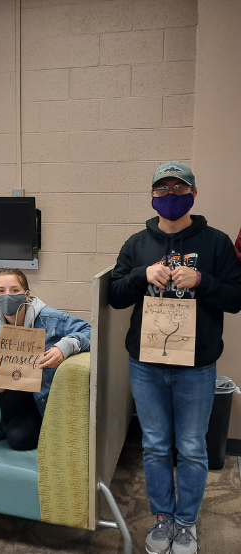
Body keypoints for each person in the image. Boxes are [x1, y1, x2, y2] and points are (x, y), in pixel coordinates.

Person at [108, 162, 241, 554]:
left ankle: (186, 523)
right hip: (146, 365)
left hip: (197, 368)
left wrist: (202, 281)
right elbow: (115, 295)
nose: (170, 196)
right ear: (151, 196)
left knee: (193, 446)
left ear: (193, 195)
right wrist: (142, 275)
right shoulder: (136, 244)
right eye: (162, 189)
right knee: (154, 445)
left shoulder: (215, 243)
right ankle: (163, 518)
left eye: (178, 188)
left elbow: (236, 298)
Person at [0, 269, 91, 451]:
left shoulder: (49, 319)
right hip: (13, 401)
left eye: (14, 290)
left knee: (19, 441)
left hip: (43, 399)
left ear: (27, 295)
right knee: (14, 429)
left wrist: (65, 347)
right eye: (1, 291)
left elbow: (90, 330)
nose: (7, 296)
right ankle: (4, 424)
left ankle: (20, 426)